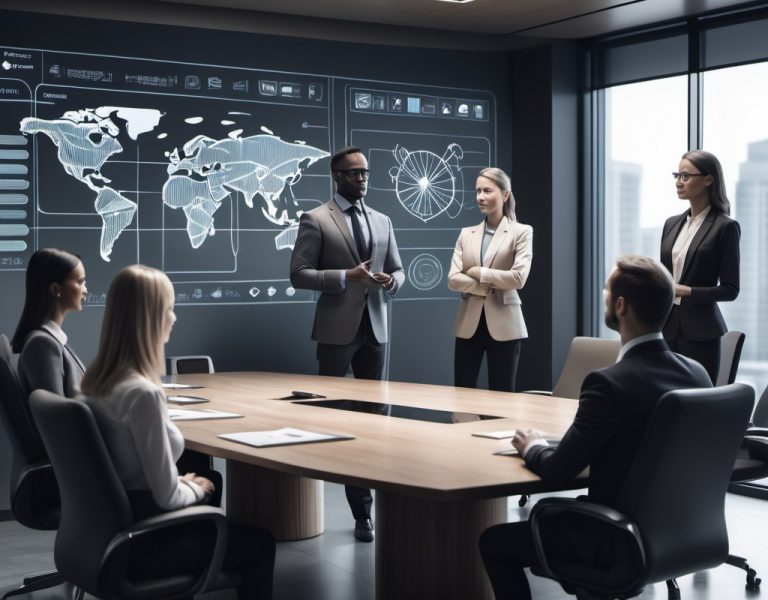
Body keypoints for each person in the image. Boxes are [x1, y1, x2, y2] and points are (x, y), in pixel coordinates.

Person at [479, 255, 712, 599]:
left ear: (620, 305)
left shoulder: (608, 384)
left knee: (494, 541)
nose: (603, 294)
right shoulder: (697, 374)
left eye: (606, 289)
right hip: (684, 535)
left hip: (616, 539)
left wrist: (532, 445)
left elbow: (559, 469)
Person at [80, 265, 275, 599]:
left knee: (209, 484)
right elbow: (166, 497)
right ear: (151, 318)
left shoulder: (94, 385)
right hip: (146, 544)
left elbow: (134, 472)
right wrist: (196, 490)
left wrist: (183, 482)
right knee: (261, 542)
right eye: (169, 308)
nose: (174, 318)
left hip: (108, 535)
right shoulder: (143, 394)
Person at [290, 146, 405, 542]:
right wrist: (345, 277)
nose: (362, 179)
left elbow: (398, 268)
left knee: (374, 420)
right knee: (333, 419)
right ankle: (317, 499)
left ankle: (363, 512)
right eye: (354, 174)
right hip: (336, 331)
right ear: (336, 175)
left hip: (376, 329)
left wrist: (393, 282)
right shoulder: (317, 218)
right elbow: (299, 274)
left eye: (366, 173)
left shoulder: (383, 220)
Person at [447, 167, 533, 392]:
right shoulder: (467, 233)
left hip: (506, 324)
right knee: (463, 392)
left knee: (503, 394)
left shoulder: (521, 232)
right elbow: (453, 280)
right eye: (477, 191)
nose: (480, 197)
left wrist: (479, 272)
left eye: (487, 190)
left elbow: (518, 278)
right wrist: (490, 283)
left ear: (505, 195)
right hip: (468, 324)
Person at [661, 150, 740, 383]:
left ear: (708, 180)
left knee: (696, 402)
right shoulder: (671, 224)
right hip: (665, 328)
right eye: (677, 175)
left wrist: (687, 291)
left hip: (701, 335)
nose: (678, 181)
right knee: (662, 397)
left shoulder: (725, 227)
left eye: (685, 176)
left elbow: (730, 289)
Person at [12, 248, 87, 398]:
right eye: (80, 282)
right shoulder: (42, 344)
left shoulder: (50, 340)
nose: (85, 290)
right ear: (55, 289)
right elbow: (56, 416)